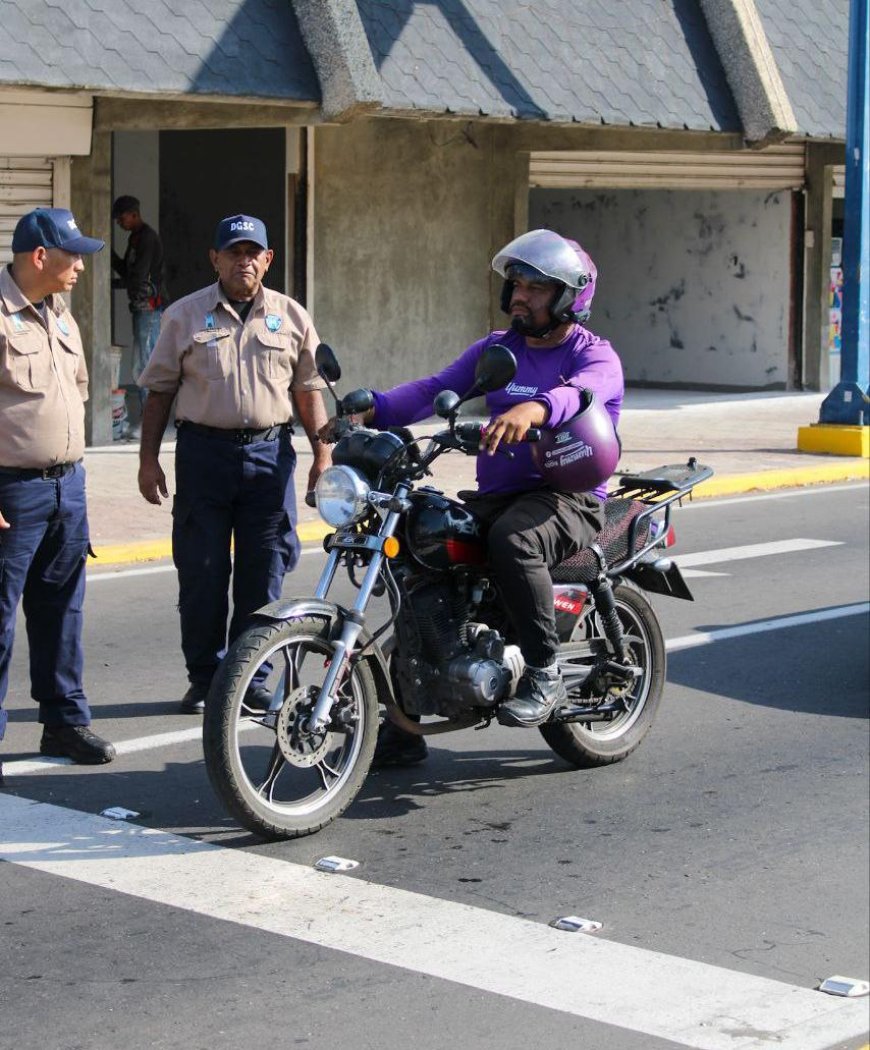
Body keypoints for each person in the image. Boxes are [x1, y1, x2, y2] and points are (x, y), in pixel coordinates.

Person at [334, 229, 624, 767]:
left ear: (569, 296)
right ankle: (403, 723)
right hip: (498, 493)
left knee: (514, 542)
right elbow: (432, 389)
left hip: (567, 495)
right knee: (418, 555)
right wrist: (371, 407)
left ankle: (544, 672)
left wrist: (531, 411)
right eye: (516, 284)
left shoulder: (593, 355)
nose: (520, 296)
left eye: (536, 288)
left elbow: (578, 395)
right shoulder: (497, 349)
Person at [137, 214, 331, 714]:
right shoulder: (184, 316)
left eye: (253, 252)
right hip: (204, 456)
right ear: (215, 259)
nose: (243, 260)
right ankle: (205, 678)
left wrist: (322, 457)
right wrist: (148, 460)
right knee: (202, 574)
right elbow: (159, 392)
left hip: (270, 458)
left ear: (268, 259)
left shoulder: (291, 316)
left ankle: (253, 678)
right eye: (233, 252)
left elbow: (308, 390)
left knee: (263, 575)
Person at [0, 207, 117, 783]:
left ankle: (64, 722)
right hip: (9, 491)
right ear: (40, 256)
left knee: (62, 609)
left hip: (66, 486)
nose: (81, 265)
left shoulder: (60, 312)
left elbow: (79, 387)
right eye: (73, 254)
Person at [111, 195, 169, 431]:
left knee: (146, 366)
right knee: (141, 365)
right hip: (143, 310)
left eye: (121, 218)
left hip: (150, 310)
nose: (119, 223)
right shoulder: (136, 238)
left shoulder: (147, 238)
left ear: (133, 214)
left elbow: (138, 276)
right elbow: (127, 270)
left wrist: (124, 287)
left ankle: (151, 423)